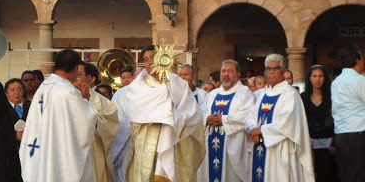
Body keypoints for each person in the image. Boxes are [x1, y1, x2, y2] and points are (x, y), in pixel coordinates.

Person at [115, 45, 205, 181]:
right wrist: (164, 111)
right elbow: (137, 112)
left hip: (174, 139)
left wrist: (174, 118)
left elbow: (192, 114)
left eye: (153, 58)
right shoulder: (136, 87)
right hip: (147, 140)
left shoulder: (178, 83)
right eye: (146, 60)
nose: (149, 63)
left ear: (162, 58)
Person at [19, 49, 99, 182]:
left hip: (41, 149)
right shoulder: (68, 92)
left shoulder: (43, 87)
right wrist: (85, 101)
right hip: (58, 152)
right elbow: (87, 121)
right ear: (75, 68)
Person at [246, 54, 314, 182]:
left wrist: (260, 131)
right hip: (259, 147)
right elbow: (251, 115)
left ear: (283, 70)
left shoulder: (290, 94)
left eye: (275, 68)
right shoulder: (262, 94)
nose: (271, 72)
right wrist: (252, 129)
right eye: (268, 68)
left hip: (280, 150)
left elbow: (287, 121)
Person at [197, 60, 255, 182]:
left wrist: (223, 120)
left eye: (230, 71)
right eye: (223, 71)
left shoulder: (245, 93)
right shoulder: (213, 94)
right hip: (210, 144)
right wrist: (207, 119)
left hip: (234, 146)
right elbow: (200, 113)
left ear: (238, 74)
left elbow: (248, 115)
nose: (226, 74)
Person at [73, 61, 119, 182]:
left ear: (88, 78)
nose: (73, 77)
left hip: (93, 154)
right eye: (72, 73)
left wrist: (86, 106)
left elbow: (110, 129)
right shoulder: (63, 98)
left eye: (78, 74)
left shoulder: (101, 101)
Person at [331, 45, 365, 182]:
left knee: (346, 176)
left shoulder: (336, 82)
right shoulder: (360, 80)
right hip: (358, 135)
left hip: (341, 136)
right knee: (359, 176)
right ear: (358, 61)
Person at [301, 65, 338, 182]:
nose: (317, 79)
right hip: (309, 147)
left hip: (329, 146)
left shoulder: (332, 97)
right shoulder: (303, 98)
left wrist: (335, 143)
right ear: (310, 78)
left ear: (325, 78)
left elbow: (338, 120)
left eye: (320, 76)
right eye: (314, 76)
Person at [4, 78, 30, 144]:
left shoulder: (31, 107)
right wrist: (14, 135)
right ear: (6, 93)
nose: (16, 93)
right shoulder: (1, 109)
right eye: (13, 90)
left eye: (19, 89)